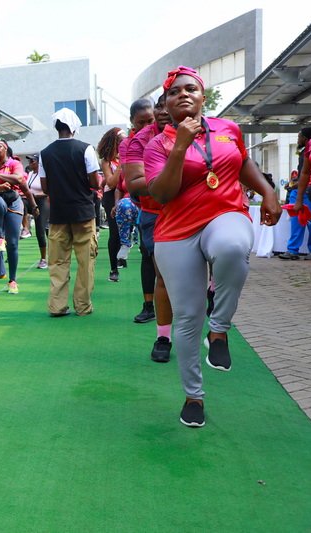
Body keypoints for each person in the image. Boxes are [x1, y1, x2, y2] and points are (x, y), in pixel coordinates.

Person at [144, 66, 281, 427]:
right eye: (175, 92)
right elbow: (160, 193)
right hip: (176, 232)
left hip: (225, 213)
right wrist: (180, 148)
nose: (184, 95)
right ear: (167, 104)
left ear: (203, 97)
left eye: (191, 89)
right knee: (187, 318)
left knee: (233, 246)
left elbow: (243, 163)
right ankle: (194, 396)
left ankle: (219, 328)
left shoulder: (228, 129)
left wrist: (267, 192)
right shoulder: (158, 144)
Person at [124, 93, 174, 362]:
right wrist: (175, 177)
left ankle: (215, 322)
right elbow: (133, 183)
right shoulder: (142, 141)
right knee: (163, 275)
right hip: (155, 213)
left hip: (197, 213)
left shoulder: (208, 132)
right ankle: (163, 336)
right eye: (161, 104)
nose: (164, 110)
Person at [39, 108, 100, 316]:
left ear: (56, 127)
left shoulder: (45, 153)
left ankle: (57, 306)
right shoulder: (86, 149)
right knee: (85, 261)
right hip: (83, 212)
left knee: (57, 262)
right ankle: (83, 306)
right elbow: (95, 181)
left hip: (57, 214)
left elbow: (45, 187)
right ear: (74, 127)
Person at [0, 138, 37, 294]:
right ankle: (0, 237)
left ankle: (12, 280)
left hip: (14, 201)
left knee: (13, 244)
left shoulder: (14, 163)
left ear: (5, 148)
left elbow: (19, 179)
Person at [280, 127, 311, 259]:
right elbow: (304, 172)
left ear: (305, 138)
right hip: (301, 190)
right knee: (296, 221)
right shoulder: (306, 151)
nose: (297, 139)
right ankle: (293, 250)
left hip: (310, 190)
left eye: (299, 136)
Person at [97, 127, 125, 281]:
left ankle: (122, 255)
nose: (125, 142)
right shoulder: (106, 161)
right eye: (121, 141)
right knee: (115, 232)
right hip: (110, 196)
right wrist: (122, 164)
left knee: (124, 231)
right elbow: (111, 182)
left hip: (128, 193)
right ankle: (113, 269)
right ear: (114, 143)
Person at [25, 154, 49, 269]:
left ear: (39, 163)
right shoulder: (30, 174)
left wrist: (36, 194)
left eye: (32, 161)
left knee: (40, 230)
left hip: (42, 201)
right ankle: (25, 228)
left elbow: (49, 192)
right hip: (31, 201)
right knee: (19, 204)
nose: (30, 163)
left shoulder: (44, 175)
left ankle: (43, 258)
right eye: (29, 161)